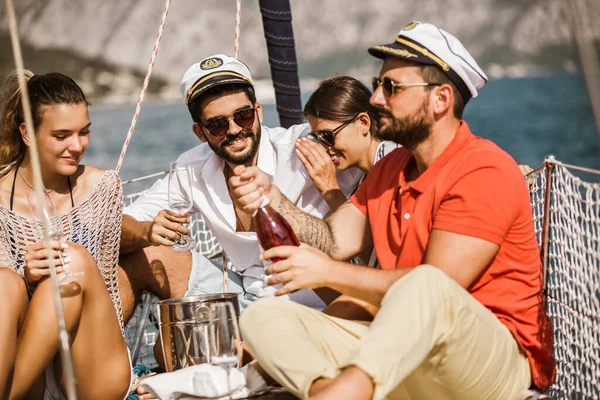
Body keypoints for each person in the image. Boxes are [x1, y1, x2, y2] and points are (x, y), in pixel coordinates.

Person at [230, 22, 556, 400]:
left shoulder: (483, 169)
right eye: (378, 84)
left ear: (441, 100)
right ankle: (330, 392)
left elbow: (439, 289)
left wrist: (326, 272)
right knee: (263, 317)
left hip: (488, 361)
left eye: (391, 87)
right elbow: (335, 241)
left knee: (427, 283)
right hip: (404, 355)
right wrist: (271, 195)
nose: (376, 98)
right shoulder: (390, 168)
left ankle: (346, 392)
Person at [118, 54, 363, 319]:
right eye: (217, 124)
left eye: (243, 116)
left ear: (258, 112)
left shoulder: (305, 146)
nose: (234, 130)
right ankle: (109, 360)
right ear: (200, 133)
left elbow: (373, 149)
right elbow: (118, 224)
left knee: (174, 350)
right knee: (139, 257)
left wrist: (331, 187)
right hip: (246, 298)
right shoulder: (191, 169)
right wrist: (147, 230)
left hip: (319, 305)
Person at [0, 72, 131, 399]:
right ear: (27, 134)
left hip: (91, 365)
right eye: (62, 136)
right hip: (24, 367)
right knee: (5, 282)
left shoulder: (103, 189)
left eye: (84, 132)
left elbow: (108, 291)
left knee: (73, 262)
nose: (77, 146)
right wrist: (27, 277)